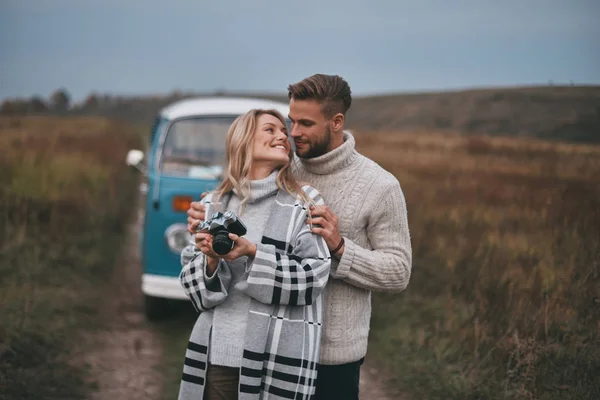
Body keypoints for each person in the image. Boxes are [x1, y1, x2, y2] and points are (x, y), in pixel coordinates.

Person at [187, 74, 412, 400]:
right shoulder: (285, 169)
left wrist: (339, 246)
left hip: (332, 356)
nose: (292, 133)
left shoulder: (379, 185)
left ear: (336, 122)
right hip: (268, 346)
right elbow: (245, 190)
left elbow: (398, 271)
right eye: (290, 121)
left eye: (304, 123)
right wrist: (206, 216)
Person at [178, 108, 331, 400]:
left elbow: (314, 278)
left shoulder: (305, 202)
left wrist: (253, 253)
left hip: (275, 360)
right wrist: (211, 259)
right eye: (270, 130)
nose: (282, 137)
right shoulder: (213, 204)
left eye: (283, 132)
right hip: (218, 356)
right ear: (244, 140)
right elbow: (196, 293)